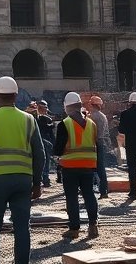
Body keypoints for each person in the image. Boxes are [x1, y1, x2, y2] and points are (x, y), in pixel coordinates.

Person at [0, 76, 45, 264]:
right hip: (22, 181)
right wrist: (37, 183)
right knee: (22, 228)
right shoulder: (29, 119)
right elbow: (40, 154)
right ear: (16, 95)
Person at [54, 91, 100, 239]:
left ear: (67, 107)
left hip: (70, 167)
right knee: (89, 195)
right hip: (88, 166)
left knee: (72, 197)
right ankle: (93, 225)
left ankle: (74, 229)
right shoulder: (92, 124)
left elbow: (58, 148)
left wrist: (56, 156)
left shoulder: (65, 123)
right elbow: (95, 145)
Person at [87, 95, 110, 198]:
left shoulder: (90, 117)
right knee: (101, 168)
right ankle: (104, 191)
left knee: (89, 167)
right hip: (101, 142)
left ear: (92, 105)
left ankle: (88, 189)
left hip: (92, 143)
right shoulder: (103, 116)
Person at [33, 100, 55, 188]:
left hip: (44, 143)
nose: (46, 110)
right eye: (44, 108)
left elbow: (50, 134)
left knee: (45, 161)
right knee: (42, 161)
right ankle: (43, 179)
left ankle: (45, 179)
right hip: (40, 142)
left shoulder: (46, 119)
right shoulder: (37, 119)